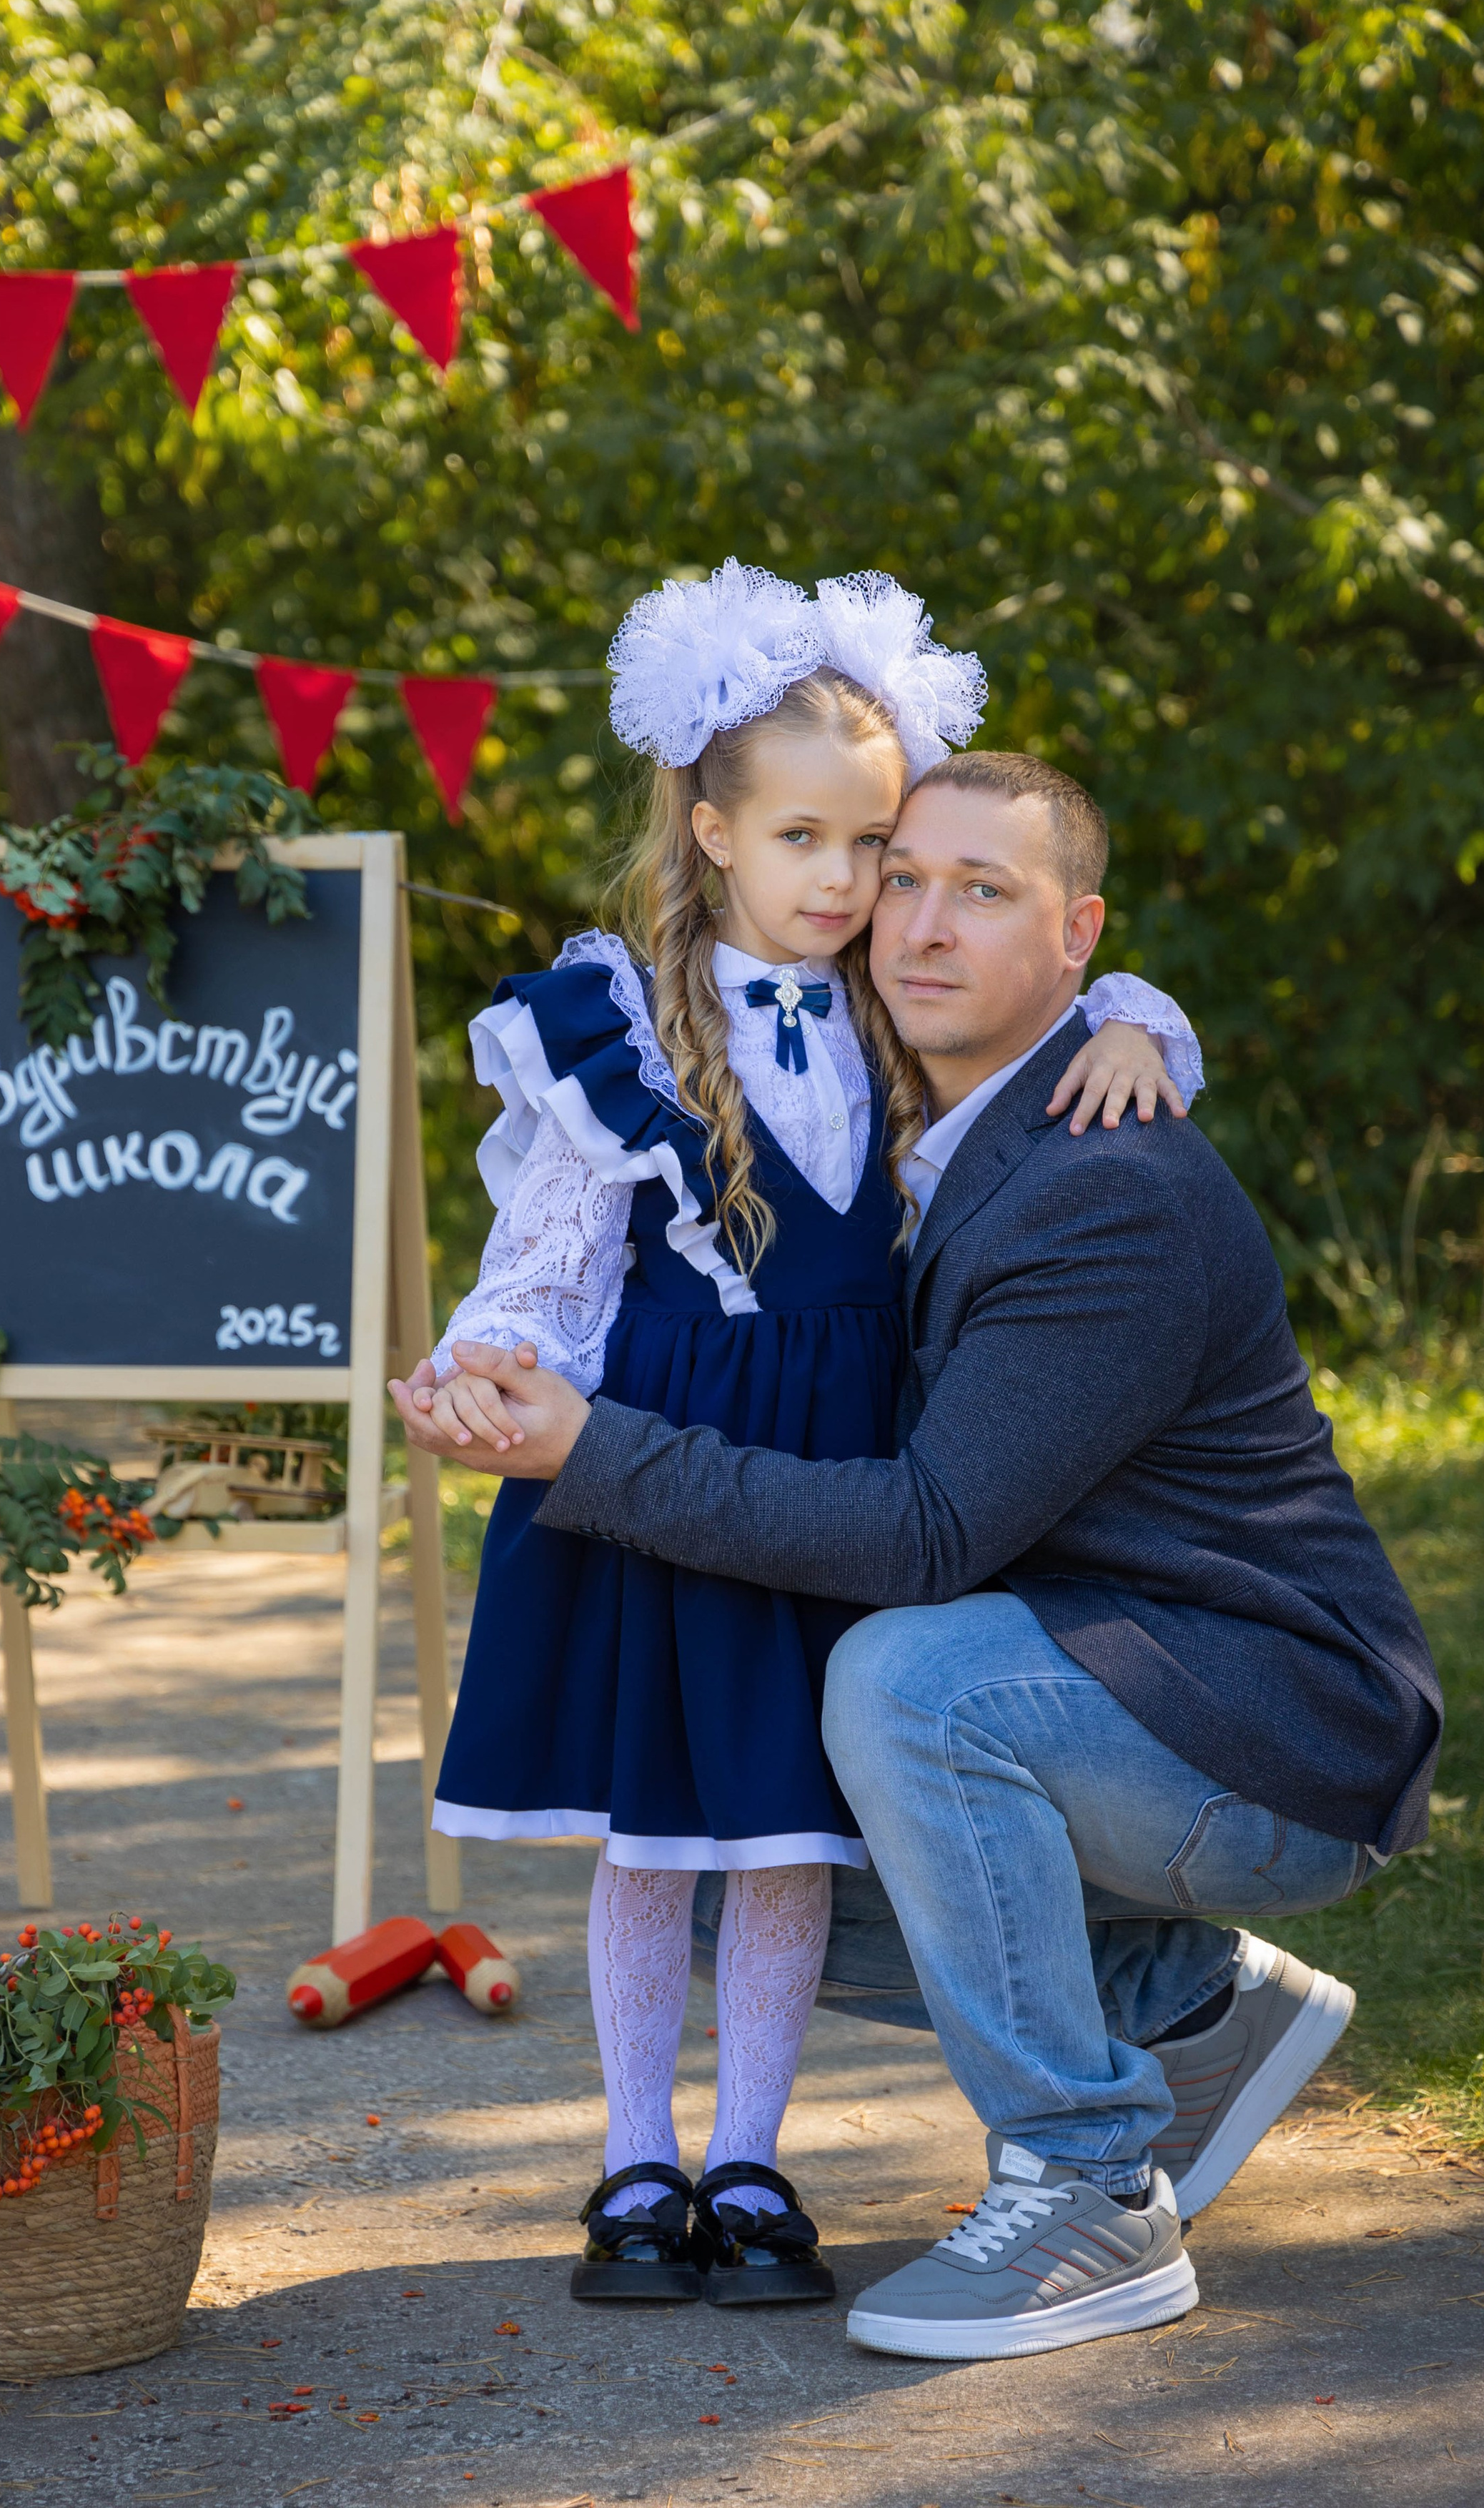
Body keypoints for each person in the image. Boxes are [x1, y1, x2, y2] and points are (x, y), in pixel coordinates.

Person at [397, 748, 1442, 2364]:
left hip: (1262, 1720)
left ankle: (1091, 2187)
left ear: (1077, 932)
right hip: (1104, 1671)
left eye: (985, 892)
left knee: (905, 1685)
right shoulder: (913, 1118)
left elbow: (924, 1533)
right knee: (711, 1850)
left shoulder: (1106, 1184)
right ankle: (1186, 2001)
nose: (922, 924)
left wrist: (591, 1453)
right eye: (903, 877)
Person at [408, 565, 1201, 2309]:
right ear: (709, 832)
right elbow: (541, 1259)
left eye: (871, 845)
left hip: (836, 1480)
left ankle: (755, 2160)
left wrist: (1138, 1019)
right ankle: (634, 2157)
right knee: (650, 1841)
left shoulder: (887, 1001)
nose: (847, 884)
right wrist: (479, 1364)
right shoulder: (611, 1021)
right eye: (806, 843)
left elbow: (1055, 979)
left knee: (780, 1837)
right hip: (653, 1461)